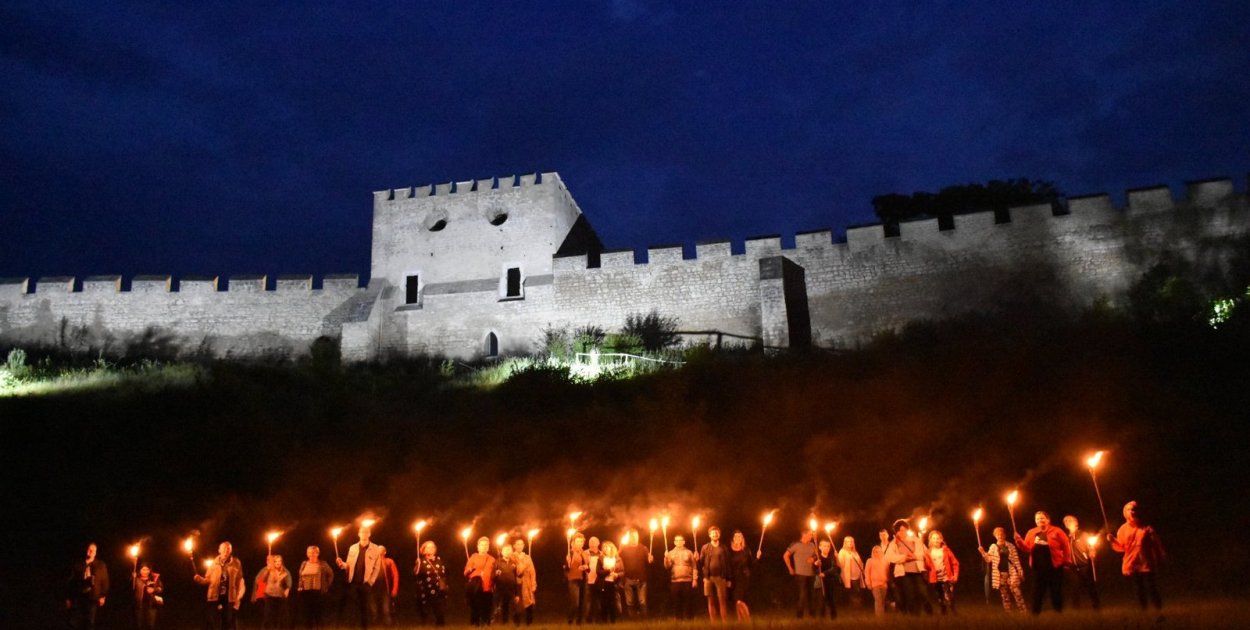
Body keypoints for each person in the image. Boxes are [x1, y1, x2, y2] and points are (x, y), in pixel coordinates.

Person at [1109, 501, 1165, 611]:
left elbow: (1156, 544)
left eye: (1134, 509)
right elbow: (1121, 547)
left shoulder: (1147, 528)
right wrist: (1113, 541)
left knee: (1151, 586)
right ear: (1125, 512)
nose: (1132, 512)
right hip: (1132, 563)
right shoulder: (1123, 529)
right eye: (1129, 510)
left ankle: (1158, 608)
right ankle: (1143, 609)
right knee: (1139, 588)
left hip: (1147, 562)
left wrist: (1160, 556)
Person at [1014, 511, 1071, 614]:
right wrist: (1019, 541)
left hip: (1054, 566)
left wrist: (1066, 562)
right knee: (1037, 591)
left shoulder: (1057, 531)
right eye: (1037, 519)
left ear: (1048, 520)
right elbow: (1027, 548)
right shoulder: (1031, 532)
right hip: (1038, 567)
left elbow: (1066, 546)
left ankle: (1058, 612)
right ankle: (1035, 614)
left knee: (1055, 590)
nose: (1040, 520)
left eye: (1042, 518)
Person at [337, 526, 384, 629]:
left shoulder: (375, 548)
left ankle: (364, 627)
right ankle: (352, 627)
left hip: (365, 584)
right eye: (362, 532)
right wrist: (342, 564)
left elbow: (377, 567)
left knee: (364, 608)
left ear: (369, 534)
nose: (364, 533)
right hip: (353, 583)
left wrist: (370, 581)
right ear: (359, 534)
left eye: (366, 532)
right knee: (352, 608)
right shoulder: (352, 548)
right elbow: (348, 565)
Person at [884, 519, 932, 615]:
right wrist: (904, 558)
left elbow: (925, 552)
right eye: (900, 530)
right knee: (910, 594)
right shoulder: (894, 543)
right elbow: (888, 557)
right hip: (904, 572)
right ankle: (914, 614)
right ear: (896, 531)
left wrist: (915, 556)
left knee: (922, 592)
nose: (902, 532)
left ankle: (929, 611)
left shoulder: (916, 540)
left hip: (917, 571)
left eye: (904, 530)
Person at [195, 542, 245, 630]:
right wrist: (200, 580)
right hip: (214, 595)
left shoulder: (236, 563)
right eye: (224, 548)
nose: (227, 550)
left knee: (228, 620)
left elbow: (239, 580)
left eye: (229, 548)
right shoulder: (214, 563)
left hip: (229, 597)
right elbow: (207, 579)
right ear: (219, 550)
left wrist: (238, 597)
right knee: (215, 620)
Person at [979, 527, 1026, 612]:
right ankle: (1008, 612)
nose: (1000, 536)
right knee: (1005, 595)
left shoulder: (1011, 546)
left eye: (1001, 534)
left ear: (1004, 535)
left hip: (1012, 572)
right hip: (1000, 573)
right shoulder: (993, 547)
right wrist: (983, 552)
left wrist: (1020, 570)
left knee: (1016, 591)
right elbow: (989, 559)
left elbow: (1016, 560)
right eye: (997, 534)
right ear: (995, 536)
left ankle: (1023, 611)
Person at [66, 542, 110, 630]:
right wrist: (68, 598)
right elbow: (71, 581)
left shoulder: (100, 565)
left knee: (90, 622)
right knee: (75, 621)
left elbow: (105, 580)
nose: (90, 552)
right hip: (79, 596)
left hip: (93, 597)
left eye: (92, 550)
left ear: (95, 552)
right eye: (88, 549)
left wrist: (103, 596)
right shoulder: (78, 564)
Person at [1062, 515, 1100, 610]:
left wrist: (1092, 551)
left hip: (1084, 565)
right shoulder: (1066, 537)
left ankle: (1096, 606)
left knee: (1090, 586)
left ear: (1076, 522)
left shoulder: (1083, 534)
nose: (1067, 522)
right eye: (1065, 521)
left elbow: (1090, 547)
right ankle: (1076, 609)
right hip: (1072, 567)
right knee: (1074, 587)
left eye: (1069, 520)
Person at [782, 529, 818, 618]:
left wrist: (813, 559)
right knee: (802, 595)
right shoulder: (796, 544)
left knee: (812, 595)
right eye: (810, 534)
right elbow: (785, 555)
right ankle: (799, 615)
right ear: (804, 534)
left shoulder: (812, 545)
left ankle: (812, 615)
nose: (812, 536)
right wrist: (790, 568)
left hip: (811, 574)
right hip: (800, 574)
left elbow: (816, 555)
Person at [617, 528, 652, 619]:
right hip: (627, 578)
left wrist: (650, 559)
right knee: (629, 602)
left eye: (636, 536)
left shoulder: (643, 548)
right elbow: (616, 560)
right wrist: (618, 552)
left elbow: (648, 561)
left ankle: (645, 621)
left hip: (641, 578)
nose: (634, 538)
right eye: (632, 536)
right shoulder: (624, 549)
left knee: (642, 601)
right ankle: (633, 621)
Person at [297, 545, 335, 628]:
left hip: (318, 592)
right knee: (307, 615)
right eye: (310, 552)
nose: (312, 554)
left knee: (318, 615)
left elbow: (331, 574)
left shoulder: (322, 564)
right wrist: (300, 586)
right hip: (306, 592)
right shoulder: (304, 564)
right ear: (307, 554)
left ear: (318, 553)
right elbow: (300, 576)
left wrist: (326, 586)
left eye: (314, 552)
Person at [698, 526, 731, 623]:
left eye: (716, 532)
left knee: (722, 600)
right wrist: (697, 558)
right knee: (711, 601)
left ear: (719, 535)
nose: (715, 534)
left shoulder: (723, 548)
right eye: (713, 533)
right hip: (708, 578)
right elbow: (701, 562)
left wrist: (728, 579)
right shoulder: (705, 547)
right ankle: (714, 624)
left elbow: (728, 563)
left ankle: (725, 623)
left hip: (721, 577)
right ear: (709, 535)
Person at [413, 541, 448, 626]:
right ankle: (426, 624)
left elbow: (444, 573)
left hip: (437, 588)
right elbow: (416, 574)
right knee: (425, 608)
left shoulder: (439, 560)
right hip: (425, 589)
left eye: (432, 547)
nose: (431, 549)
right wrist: (417, 565)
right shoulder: (421, 561)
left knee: (438, 607)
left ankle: (440, 625)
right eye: (428, 547)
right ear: (423, 550)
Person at [663, 534, 697, 620]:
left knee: (688, 601)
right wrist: (666, 558)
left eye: (681, 540)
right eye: (677, 540)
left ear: (684, 542)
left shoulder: (689, 552)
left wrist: (695, 579)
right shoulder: (670, 553)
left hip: (688, 580)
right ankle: (679, 619)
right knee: (677, 601)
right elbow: (667, 567)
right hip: (675, 581)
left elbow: (694, 566)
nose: (679, 542)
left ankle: (689, 619)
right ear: (674, 542)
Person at [925, 531, 959, 614]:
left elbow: (955, 563)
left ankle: (953, 611)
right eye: (933, 538)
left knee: (949, 595)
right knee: (939, 596)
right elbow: (926, 566)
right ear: (930, 540)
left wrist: (955, 575)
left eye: (937, 538)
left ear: (941, 540)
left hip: (947, 577)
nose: (936, 540)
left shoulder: (946, 550)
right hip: (936, 578)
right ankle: (943, 610)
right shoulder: (928, 552)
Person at [464, 537, 496, 626]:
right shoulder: (473, 557)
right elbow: (466, 572)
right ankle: (475, 624)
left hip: (488, 587)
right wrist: (470, 570)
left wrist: (497, 574)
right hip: (476, 587)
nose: (484, 546)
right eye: (482, 545)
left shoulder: (492, 559)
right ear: (478, 546)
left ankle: (486, 624)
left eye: (486, 545)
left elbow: (494, 572)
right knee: (476, 606)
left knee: (487, 606)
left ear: (488, 547)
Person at [256, 554, 292, 628]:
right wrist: (267, 571)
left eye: (279, 561)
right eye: (275, 561)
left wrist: (287, 589)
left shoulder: (285, 572)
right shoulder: (268, 570)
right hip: (269, 595)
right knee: (268, 616)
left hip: (280, 596)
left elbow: (288, 582)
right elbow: (260, 580)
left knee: (279, 617)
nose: (278, 563)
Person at [726, 530, 755, 621]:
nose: (738, 538)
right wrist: (728, 579)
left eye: (740, 536)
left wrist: (757, 558)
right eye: (736, 536)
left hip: (743, 577)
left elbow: (751, 565)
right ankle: (740, 620)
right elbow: (727, 565)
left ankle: (747, 619)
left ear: (742, 539)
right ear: (733, 539)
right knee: (736, 600)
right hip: (733, 577)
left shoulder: (746, 550)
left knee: (738, 599)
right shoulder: (729, 551)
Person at [564, 532, 590, 624]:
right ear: (573, 543)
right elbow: (566, 568)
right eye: (577, 541)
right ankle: (570, 620)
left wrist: (586, 567)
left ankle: (579, 621)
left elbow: (588, 567)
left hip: (584, 580)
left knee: (582, 603)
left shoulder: (585, 553)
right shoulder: (570, 553)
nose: (579, 543)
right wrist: (568, 564)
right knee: (575, 602)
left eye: (581, 541)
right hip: (574, 580)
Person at [596, 540, 624, 623]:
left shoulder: (618, 559)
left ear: (612, 548)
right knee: (604, 603)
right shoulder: (601, 558)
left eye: (607, 547)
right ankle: (604, 621)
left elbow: (622, 571)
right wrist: (608, 571)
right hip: (603, 583)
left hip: (614, 583)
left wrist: (617, 575)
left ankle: (613, 621)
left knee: (613, 602)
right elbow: (598, 572)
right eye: (603, 547)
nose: (605, 549)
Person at [495, 540, 522, 626]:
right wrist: (495, 574)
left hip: (511, 590)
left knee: (516, 608)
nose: (507, 551)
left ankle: (517, 625)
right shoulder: (497, 562)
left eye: (509, 550)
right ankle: (504, 624)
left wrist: (517, 593)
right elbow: (493, 577)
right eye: (505, 550)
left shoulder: (513, 564)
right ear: (502, 551)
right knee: (504, 607)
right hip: (501, 589)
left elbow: (516, 578)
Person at [511, 539, 537, 625]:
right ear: (514, 546)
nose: (520, 546)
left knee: (529, 601)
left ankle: (529, 623)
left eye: (521, 544)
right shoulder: (512, 556)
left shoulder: (527, 557)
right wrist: (522, 566)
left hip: (527, 582)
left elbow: (532, 571)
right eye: (518, 544)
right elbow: (517, 571)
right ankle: (516, 622)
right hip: (517, 582)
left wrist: (533, 583)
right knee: (517, 602)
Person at [837, 536, 866, 609]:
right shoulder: (842, 551)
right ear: (845, 543)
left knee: (858, 591)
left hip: (858, 575)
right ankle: (853, 605)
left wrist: (863, 570)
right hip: (849, 576)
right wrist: (837, 557)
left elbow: (860, 563)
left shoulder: (855, 552)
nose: (850, 543)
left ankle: (857, 605)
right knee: (853, 591)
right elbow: (840, 564)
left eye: (851, 541)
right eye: (848, 541)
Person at [131, 564, 163, 630]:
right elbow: (130, 588)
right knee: (139, 624)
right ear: (139, 570)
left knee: (150, 624)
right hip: (139, 604)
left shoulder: (154, 579)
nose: (145, 571)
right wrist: (132, 578)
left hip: (152, 604)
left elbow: (161, 588)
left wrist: (154, 589)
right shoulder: (135, 579)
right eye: (143, 569)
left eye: (147, 569)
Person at [815, 538, 839, 619]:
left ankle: (834, 618)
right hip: (820, 582)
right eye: (824, 546)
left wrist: (825, 573)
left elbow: (834, 568)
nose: (827, 548)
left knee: (831, 600)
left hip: (830, 582)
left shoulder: (832, 558)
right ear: (820, 547)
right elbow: (814, 570)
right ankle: (822, 618)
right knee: (821, 601)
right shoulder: (817, 558)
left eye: (828, 546)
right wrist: (816, 565)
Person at [863, 545, 890, 617]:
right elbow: (867, 572)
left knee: (883, 600)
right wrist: (868, 583)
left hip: (884, 584)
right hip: (875, 584)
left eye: (878, 551)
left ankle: (883, 615)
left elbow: (887, 571)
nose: (876, 553)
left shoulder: (885, 561)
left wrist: (887, 580)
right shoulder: (870, 561)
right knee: (878, 600)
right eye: (875, 552)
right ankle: (879, 617)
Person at [375, 547, 399, 626]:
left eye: (381, 549)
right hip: (373, 590)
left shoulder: (389, 561)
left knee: (386, 609)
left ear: (384, 552)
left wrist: (394, 589)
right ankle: (375, 626)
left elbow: (395, 575)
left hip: (385, 590)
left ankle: (389, 626)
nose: (379, 551)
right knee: (373, 609)